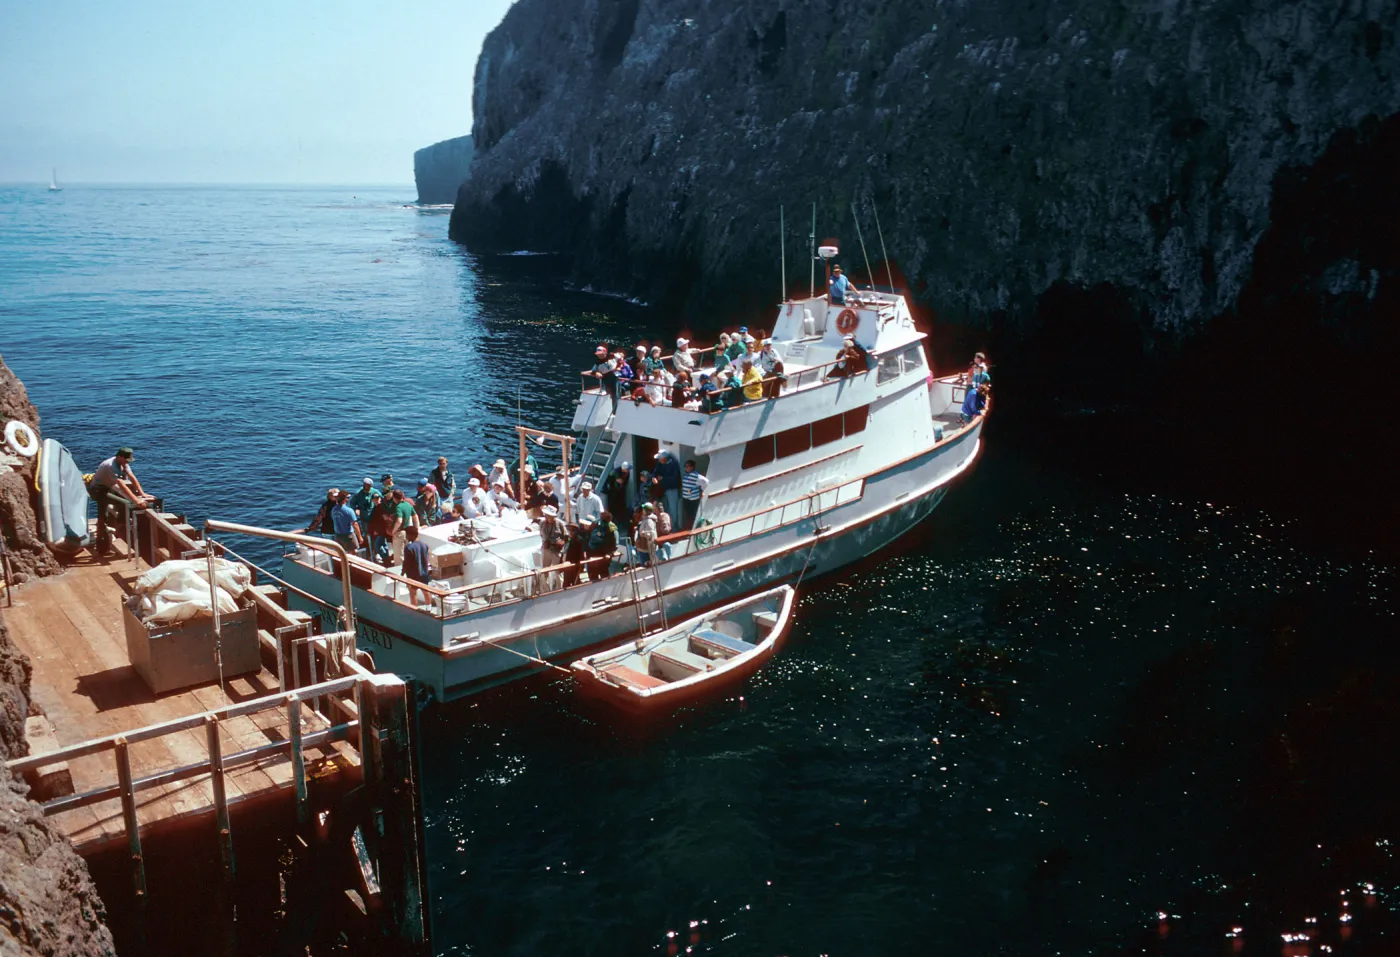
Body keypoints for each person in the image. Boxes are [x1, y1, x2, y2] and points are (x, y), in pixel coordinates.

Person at [89, 446, 154, 553]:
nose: (126, 463)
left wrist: (142, 494)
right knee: (103, 516)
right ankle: (102, 547)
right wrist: (136, 501)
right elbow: (121, 485)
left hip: (109, 487)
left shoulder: (123, 463)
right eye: (125, 460)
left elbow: (132, 477)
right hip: (98, 490)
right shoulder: (110, 466)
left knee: (124, 503)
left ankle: (120, 521)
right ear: (119, 457)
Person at [537, 504, 568, 591]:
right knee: (544, 571)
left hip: (556, 551)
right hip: (546, 549)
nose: (548, 517)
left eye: (549, 515)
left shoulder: (560, 524)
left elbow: (566, 536)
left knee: (558, 572)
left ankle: (560, 589)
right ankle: (545, 591)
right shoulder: (542, 523)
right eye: (547, 515)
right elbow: (541, 535)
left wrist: (561, 543)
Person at [400, 526, 433, 607]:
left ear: (412, 535)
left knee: (413, 593)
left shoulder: (409, 548)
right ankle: (429, 609)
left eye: (407, 535)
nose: (406, 537)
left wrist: (402, 573)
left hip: (413, 575)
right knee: (426, 591)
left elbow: (406, 563)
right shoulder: (425, 545)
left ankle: (414, 610)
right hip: (424, 573)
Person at [652, 448, 682, 530]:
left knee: (673, 509)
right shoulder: (659, 463)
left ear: (665, 458)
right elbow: (655, 472)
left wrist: (663, 478)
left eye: (660, 458)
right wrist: (654, 477)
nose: (659, 460)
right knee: (664, 509)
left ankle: (673, 528)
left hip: (672, 489)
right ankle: (664, 527)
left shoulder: (674, 464)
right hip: (662, 489)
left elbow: (675, 478)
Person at [586, 510, 618, 580]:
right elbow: (588, 539)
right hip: (594, 555)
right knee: (595, 576)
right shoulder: (595, 525)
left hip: (601, 555)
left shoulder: (610, 527)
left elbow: (613, 542)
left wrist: (609, 553)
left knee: (603, 575)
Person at [587, 345, 619, 411]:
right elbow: (593, 371)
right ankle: (611, 409)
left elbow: (621, 358)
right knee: (609, 394)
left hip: (616, 378)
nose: (600, 356)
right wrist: (596, 373)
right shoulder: (597, 363)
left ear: (605, 353)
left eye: (601, 354)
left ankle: (616, 409)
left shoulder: (612, 357)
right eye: (598, 354)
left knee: (616, 393)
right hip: (607, 380)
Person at [390, 488, 417, 565]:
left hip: (399, 533)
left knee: (399, 555)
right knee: (406, 552)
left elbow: (399, 520)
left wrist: (393, 531)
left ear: (394, 498)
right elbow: (415, 517)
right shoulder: (408, 505)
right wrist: (416, 529)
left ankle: (399, 574)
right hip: (407, 532)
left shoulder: (398, 507)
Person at [680, 459, 708, 530]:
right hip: (686, 498)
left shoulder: (696, 476)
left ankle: (693, 528)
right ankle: (689, 528)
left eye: (687, 466)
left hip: (693, 499)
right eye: (685, 466)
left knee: (693, 515)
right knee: (687, 514)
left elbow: (706, 482)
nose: (685, 468)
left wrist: (701, 491)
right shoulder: (685, 475)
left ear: (692, 467)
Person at [369, 493, 396, 564]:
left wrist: (376, 530)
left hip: (381, 530)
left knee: (377, 544)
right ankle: (387, 558)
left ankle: (386, 559)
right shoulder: (378, 507)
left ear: (380, 499)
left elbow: (382, 520)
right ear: (372, 500)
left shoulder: (380, 507)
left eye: (378, 498)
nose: (376, 500)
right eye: (375, 499)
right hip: (382, 530)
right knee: (384, 544)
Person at [562, 523, 587, 588]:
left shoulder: (579, 540)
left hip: (575, 564)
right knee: (566, 580)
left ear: (576, 531)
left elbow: (581, 554)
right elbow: (564, 551)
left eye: (572, 530)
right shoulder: (567, 539)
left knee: (575, 581)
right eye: (569, 530)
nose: (570, 532)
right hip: (567, 563)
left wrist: (581, 565)